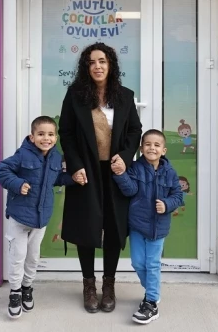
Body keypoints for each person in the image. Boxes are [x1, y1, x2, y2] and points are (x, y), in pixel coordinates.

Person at [59, 42, 143, 313]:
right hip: (86, 171)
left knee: (114, 226)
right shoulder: (75, 95)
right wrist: (75, 165)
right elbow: (66, 132)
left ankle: (109, 284)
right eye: (92, 62)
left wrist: (126, 156)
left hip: (115, 171)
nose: (97, 66)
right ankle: (88, 284)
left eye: (102, 61)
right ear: (86, 67)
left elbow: (135, 130)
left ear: (111, 65)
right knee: (86, 225)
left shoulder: (125, 96)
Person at [0, 116, 80, 319]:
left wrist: (72, 178)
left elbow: (56, 179)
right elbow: (2, 170)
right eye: (41, 134)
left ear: (56, 137)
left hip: (41, 218)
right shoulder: (22, 155)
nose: (46, 138)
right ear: (32, 137)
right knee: (18, 257)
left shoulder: (56, 157)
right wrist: (17, 184)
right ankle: (15, 292)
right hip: (19, 217)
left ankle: (27, 287)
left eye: (50, 134)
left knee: (33, 257)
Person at [112, 129, 184, 324]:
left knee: (152, 264)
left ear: (164, 150)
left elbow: (178, 195)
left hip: (158, 228)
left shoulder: (170, 172)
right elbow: (130, 190)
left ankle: (151, 301)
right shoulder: (135, 168)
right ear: (141, 148)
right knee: (138, 263)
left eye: (157, 145)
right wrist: (121, 174)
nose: (152, 148)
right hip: (137, 225)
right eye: (148, 144)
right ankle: (154, 290)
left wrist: (167, 205)